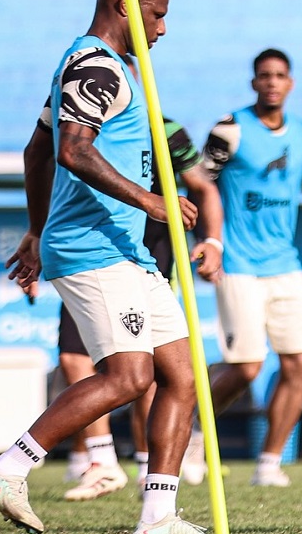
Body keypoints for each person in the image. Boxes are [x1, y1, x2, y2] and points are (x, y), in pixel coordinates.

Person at [0, 0, 212, 534]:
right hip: (93, 248)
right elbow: (72, 152)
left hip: (125, 249)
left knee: (181, 376)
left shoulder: (111, 67)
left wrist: (34, 229)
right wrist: (152, 202)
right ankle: (8, 469)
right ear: (126, 5)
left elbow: (36, 150)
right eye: (157, 15)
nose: (163, 29)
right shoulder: (96, 64)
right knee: (130, 376)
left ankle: (157, 518)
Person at [188, 47, 302, 487]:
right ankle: (191, 430)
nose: (272, 82)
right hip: (238, 263)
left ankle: (269, 463)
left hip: (284, 264)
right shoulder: (230, 130)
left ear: (290, 83)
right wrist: (208, 241)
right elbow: (201, 184)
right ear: (254, 83)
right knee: (246, 366)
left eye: (280, 75)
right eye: (264, 76)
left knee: (298, 363)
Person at [51, 109, 222, 501]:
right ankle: (101, 461)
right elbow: (48, 161)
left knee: (152, 369)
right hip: (91, 251)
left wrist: (212, 242)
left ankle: (150, 469)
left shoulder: (167, 129)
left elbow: (203, 186)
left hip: (149, 256)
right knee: (74, 357)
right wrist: (36, 233)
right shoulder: (85, 122)